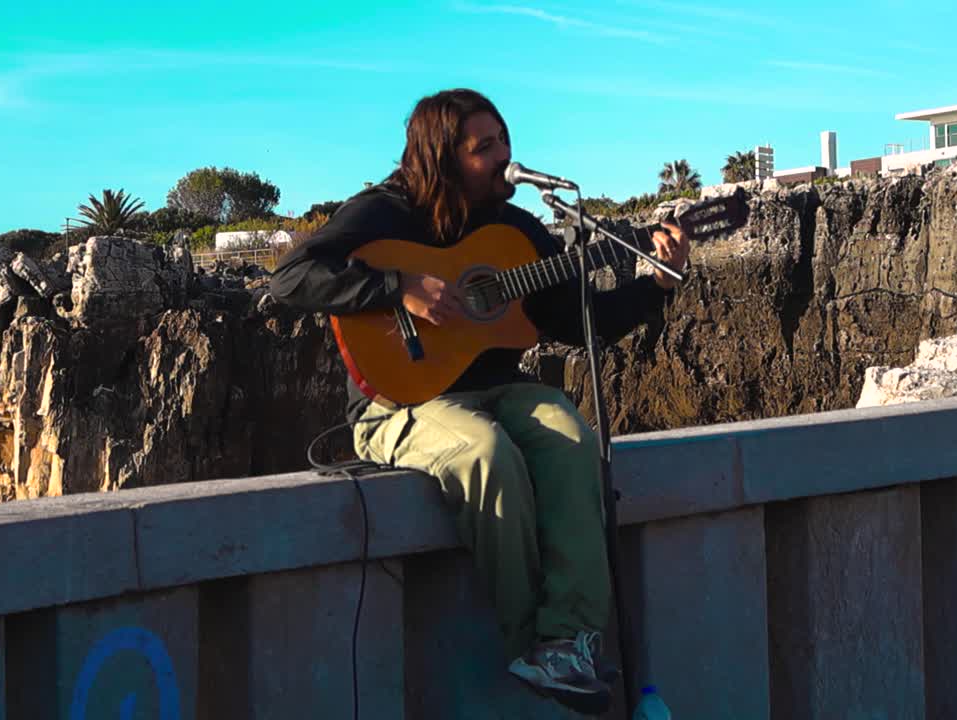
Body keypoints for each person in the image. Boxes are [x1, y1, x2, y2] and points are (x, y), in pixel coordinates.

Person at [270, 88, 690, 715]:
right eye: (483, 147)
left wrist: (654, 285)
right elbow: (290, 277)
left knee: (572, 435)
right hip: (401, 402)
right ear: (443, 158)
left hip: (498, 390)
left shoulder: (516, 230)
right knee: (483, 452)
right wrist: (398, 287)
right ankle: (528, 643)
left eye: (504, 142)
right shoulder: (384, 213)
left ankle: (567, 641)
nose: (503, 158)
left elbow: (579, 321)